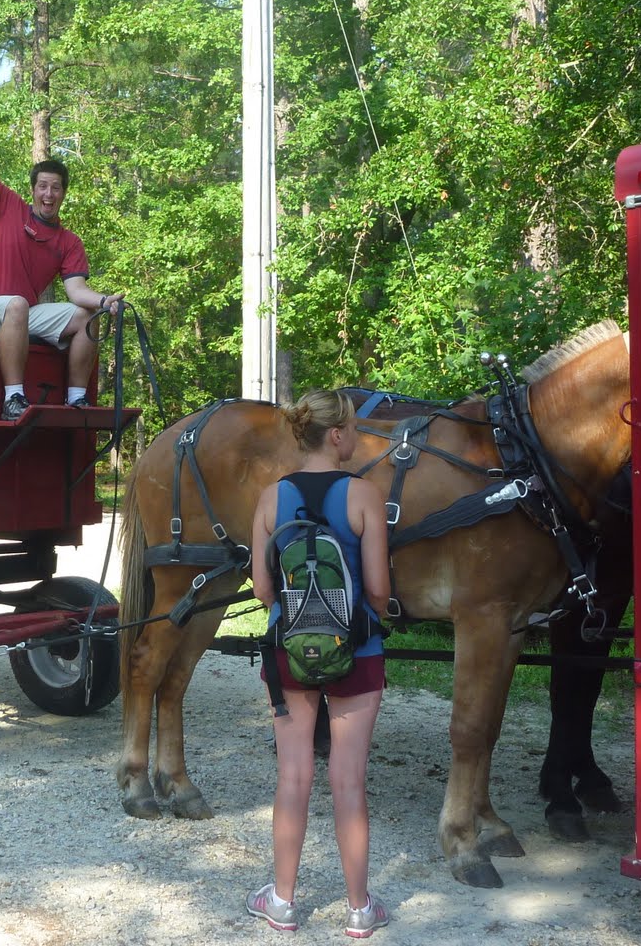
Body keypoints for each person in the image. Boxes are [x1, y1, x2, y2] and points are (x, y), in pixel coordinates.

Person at [247, 389, 393, 937]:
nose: (356, 438)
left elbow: (264, 591)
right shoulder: (364, 496)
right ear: (337, 436)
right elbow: (378, 590)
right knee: (348, 780)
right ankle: (359, 910)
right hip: (357, 652)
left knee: (293, 777)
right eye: (353, 429)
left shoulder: (269, 499)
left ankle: (282, 902)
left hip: (289, 655)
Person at [0, 80, 125, 421]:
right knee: (17, 304)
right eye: (42, 186)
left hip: (19, 315)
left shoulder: (69, 242)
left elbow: (76, 291)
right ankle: (13, 399)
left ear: (63, 194)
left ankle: (76, 398)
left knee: (86, 318)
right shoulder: (7, 207)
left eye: (56, 188)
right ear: (33, 190)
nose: (48, 194)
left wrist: (104, 302)